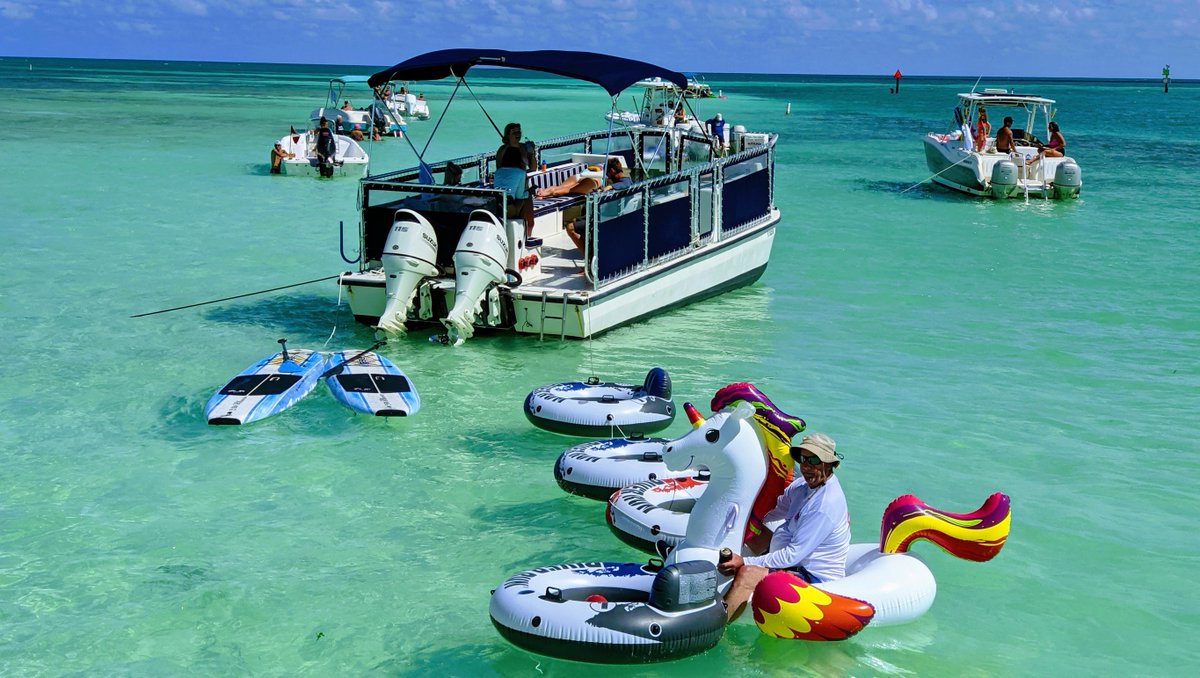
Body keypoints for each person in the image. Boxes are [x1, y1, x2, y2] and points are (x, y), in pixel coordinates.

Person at [718, 432, 850, 624]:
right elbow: (773, 511)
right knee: (753, 532)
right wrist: (741, 520)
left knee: (747, 574)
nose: (806, 466)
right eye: (802, 459)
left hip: (813, 576)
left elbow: (792, 556)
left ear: (829, 463)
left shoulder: (825, 505)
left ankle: (715, 629)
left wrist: (744, 562)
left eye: (813, 460)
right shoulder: (801, 487)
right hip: (793, 562)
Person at [494, 122, 536, 237]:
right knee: (514, 219)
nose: (518, 134)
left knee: (530, 221)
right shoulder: (502, 150)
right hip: (509, 189)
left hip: (524, 186)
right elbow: (499, 169)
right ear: (508, 135)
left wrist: (532, 153)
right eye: (514, 132)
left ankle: (527, 241)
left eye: (519, 131)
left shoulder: (524, 148)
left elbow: (533, 168)